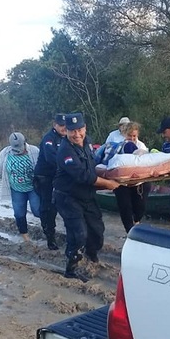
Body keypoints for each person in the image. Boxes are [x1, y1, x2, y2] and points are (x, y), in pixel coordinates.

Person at [53, 113, 120, 282]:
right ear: (66, 131)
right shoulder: (65, 151)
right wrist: (108, 184)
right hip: (67, 197)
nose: (77, 135)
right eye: (72, 131)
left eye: (79, 130)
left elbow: (92, 166)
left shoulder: (87, 142)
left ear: (85, 128)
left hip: (87, 195)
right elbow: (83, 176)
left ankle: (91, 254)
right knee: (79, 233)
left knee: (97, 231)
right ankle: (71, 268)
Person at [0, 132, 41, 242]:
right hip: (16, 189)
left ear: (24, 143)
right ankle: (25, 237)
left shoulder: (35, 151)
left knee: (38, 210)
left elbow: (43, 166)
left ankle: (48, 229)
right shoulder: (5, 153)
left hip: (33, 187)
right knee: (19, 213)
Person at [34, 113, 67, 250]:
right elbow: (51, 158)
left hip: (59, 176)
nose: (63, 128)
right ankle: (50, 237)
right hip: (45, 177)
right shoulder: (49, 138)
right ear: (55, 125)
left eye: (66, 125)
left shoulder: (68, 138)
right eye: (61, 125)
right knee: (48, 207)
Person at [113, 121, 152, 233]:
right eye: (129, 136)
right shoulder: (118, 146)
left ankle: (137, 224)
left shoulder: (141, 146)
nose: (132, 138)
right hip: (123, 183)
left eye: (134, 136)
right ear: (124, 135)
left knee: (140, 208)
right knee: (125, 208)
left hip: (139, 183)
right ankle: (130, 232)